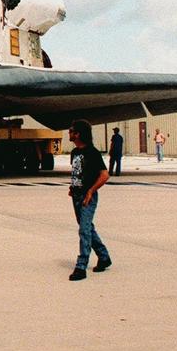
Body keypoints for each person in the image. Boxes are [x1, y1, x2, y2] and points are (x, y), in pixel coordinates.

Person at [66, 119, 111, 282]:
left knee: (84, 230)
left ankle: (81, 266)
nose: (69, 133)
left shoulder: (92, 152)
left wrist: (91, 191)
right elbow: (78, 173)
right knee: (87, 229)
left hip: (87, 197)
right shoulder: (74, 153)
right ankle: (104, 257)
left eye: (71, 131)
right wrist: (72, 188)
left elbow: (104, 175)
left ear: (78, 134)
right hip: (77, 196)